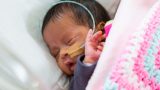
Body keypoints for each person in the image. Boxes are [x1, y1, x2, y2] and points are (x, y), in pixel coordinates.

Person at [41, 0, 110, 90]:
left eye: (70, 41)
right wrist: (88, 63)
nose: (62, 53)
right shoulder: (76, 82)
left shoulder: (118, 39)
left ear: (99, 30)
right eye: (56, 54)